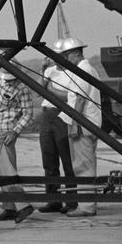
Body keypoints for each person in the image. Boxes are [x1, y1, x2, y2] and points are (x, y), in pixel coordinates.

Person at [0, 66, 34, 223]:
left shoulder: (22, 87)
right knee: (2, 171)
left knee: (8, 169)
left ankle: (23, 205)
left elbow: (28, 113)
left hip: (6, 131)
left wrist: (15, 131)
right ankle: (9, 207)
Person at [54, 36, 101, 217]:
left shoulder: (83, 69)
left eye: (66, 56)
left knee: (83, 166)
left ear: (74, 54)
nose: (64, 60)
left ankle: (86, 207)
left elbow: (80, 99)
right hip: (87, 123)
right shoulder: (88, 69)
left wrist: (73, 125)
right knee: (84, 165)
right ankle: (87, 204)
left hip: (82, 124)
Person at [38, 43, 79, 214]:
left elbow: (67, 97)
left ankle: (71, 201)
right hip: (47, 114)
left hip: (62, 115)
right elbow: (41, 90)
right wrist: (43, 70)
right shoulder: (49, 71)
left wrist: (50, 89)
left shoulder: (72, 74)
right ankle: (53, 199)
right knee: (49, 160)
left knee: (67, 160)